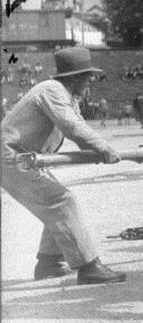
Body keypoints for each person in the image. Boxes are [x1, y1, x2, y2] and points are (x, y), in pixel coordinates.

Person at [1, 47, 127, 284]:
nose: (91, 81)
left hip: (25, 157)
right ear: (76, 77)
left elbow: (77, 131)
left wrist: (99, 151)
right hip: (11, 156)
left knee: (57, 202)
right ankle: (89, 267)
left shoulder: (67, 97)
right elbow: (73, 128)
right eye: (88, 76)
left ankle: (49, 263)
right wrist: (104, 148)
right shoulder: (52, 91)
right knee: (62, 201)